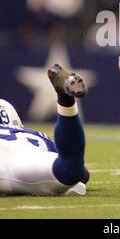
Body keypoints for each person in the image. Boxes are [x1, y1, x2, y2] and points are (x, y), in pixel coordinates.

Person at [0, 63, 90, 196]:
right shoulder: (32, 136)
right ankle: (66, 102)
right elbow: (81, 173)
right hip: (19, 159)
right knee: (70, 171)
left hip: (13, 160)